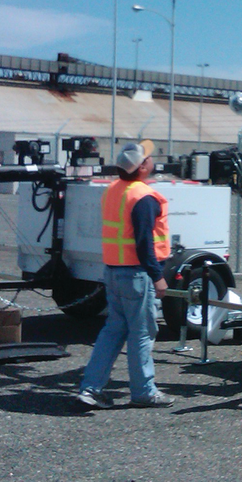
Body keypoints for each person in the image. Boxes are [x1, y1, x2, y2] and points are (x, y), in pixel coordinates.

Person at [76, 140, 175, 409]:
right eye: (150, 158)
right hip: (137, 276)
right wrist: (158, 276)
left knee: (113, 331)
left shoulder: (113, 190)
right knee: (142, 334)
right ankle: (144, 392)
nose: (153, 160)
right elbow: (144, 243)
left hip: (114, 272)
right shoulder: (143, 197)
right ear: (142, 167)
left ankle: (91, 388)